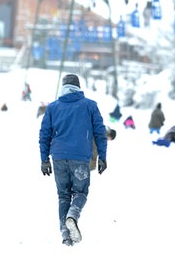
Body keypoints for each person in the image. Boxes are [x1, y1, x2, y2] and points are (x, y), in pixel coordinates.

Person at [39, 74, 108, 246]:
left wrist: (44, 159)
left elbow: (44, 135)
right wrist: (102, 157)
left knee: (63, 196)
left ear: (63, 87)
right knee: (80, 193)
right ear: (78, 87)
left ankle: (66, 236)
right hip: (80, 158)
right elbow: (100, 133)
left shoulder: (53, 107)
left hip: (59, 157)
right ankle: (72, 216)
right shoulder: (90, 106)